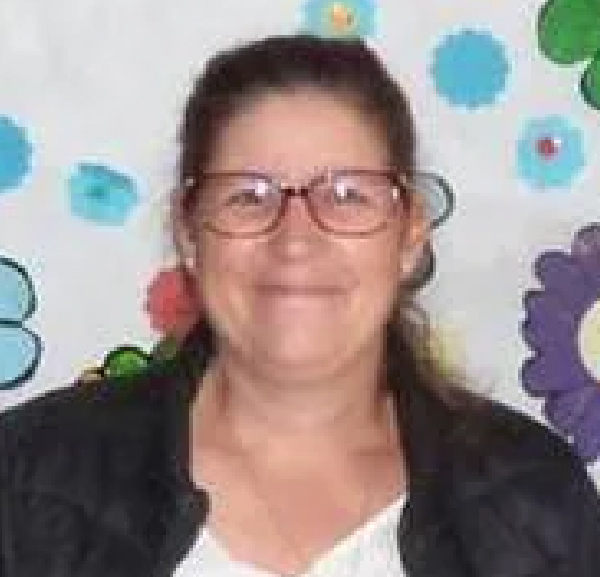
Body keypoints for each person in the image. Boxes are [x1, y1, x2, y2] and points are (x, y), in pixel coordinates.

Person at [0, 34, 598, 577]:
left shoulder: (534, 504)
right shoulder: (29, 482)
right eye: (248, 196)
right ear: (188, 234)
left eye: (347, 195)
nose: (294, 240)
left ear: (410, 234)